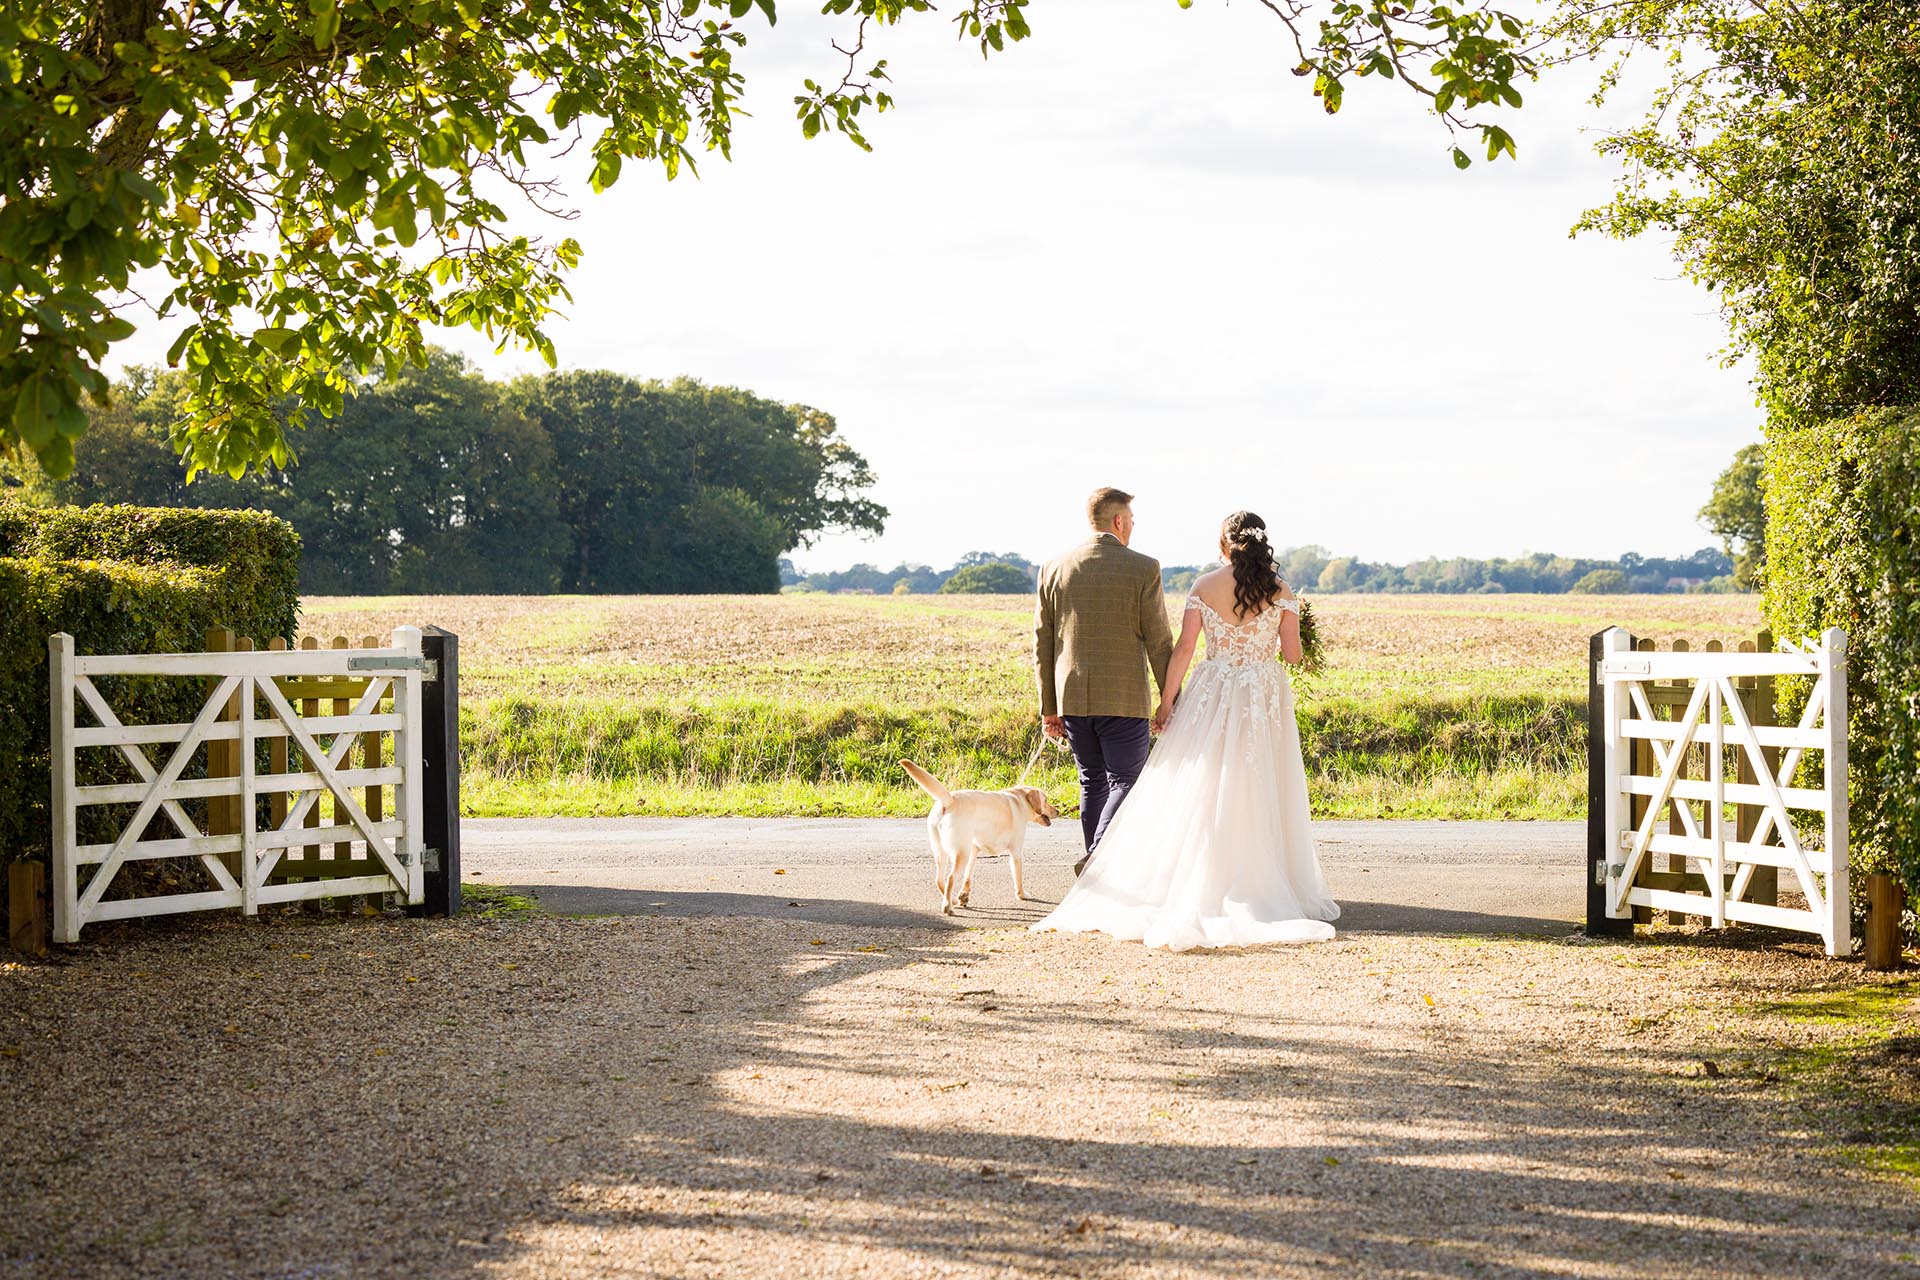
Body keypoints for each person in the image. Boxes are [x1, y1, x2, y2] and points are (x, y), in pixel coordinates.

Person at [1031, 509, 1340, 951]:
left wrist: (1167, 702)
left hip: (1213, 690)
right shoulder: (1282, 592)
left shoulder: (1204, 587)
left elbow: (1184, 649)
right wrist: (1293, 623)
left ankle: (1196, 872)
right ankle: (1256, 877)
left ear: (1224, 544)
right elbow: (1291, 657)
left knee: (1201, 781)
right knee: (1257, 782)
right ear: (1262, 543)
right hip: (1260, 696)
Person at [1033, 487, 1176, 876]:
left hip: (1072, 696)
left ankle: (1097, 871)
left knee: (1092, 781)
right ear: (1118, 521)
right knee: (1126, 781)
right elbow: (1159, 640)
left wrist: (1048, 708)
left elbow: (1042, 643)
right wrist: (1170, 698)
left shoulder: (1054, 567)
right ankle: (1097, 855)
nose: (1131, 527)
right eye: (1130, 520)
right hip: (1124, 697)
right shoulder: (1143, 567)